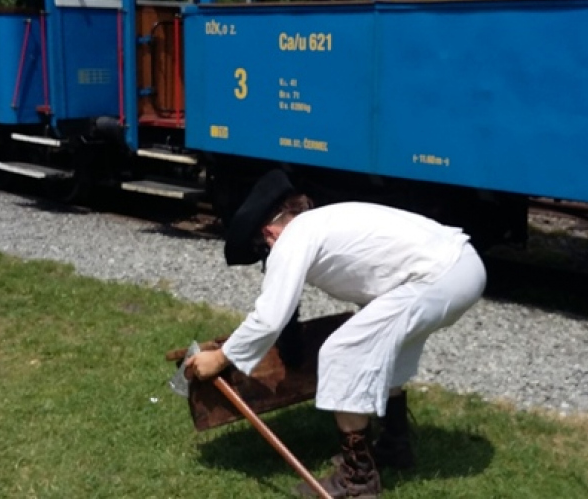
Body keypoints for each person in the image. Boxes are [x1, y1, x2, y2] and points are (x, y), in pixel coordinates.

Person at [185, 169, 486, 498]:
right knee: (378, 344)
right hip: (459, 267)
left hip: (442, 274)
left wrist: (220, 357)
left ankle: (358, 480)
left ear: (268, 232)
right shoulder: (320, 223)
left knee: (342, 353)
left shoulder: (294, 237)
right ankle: (394, 445)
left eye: (261, 246)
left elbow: (269, 318)